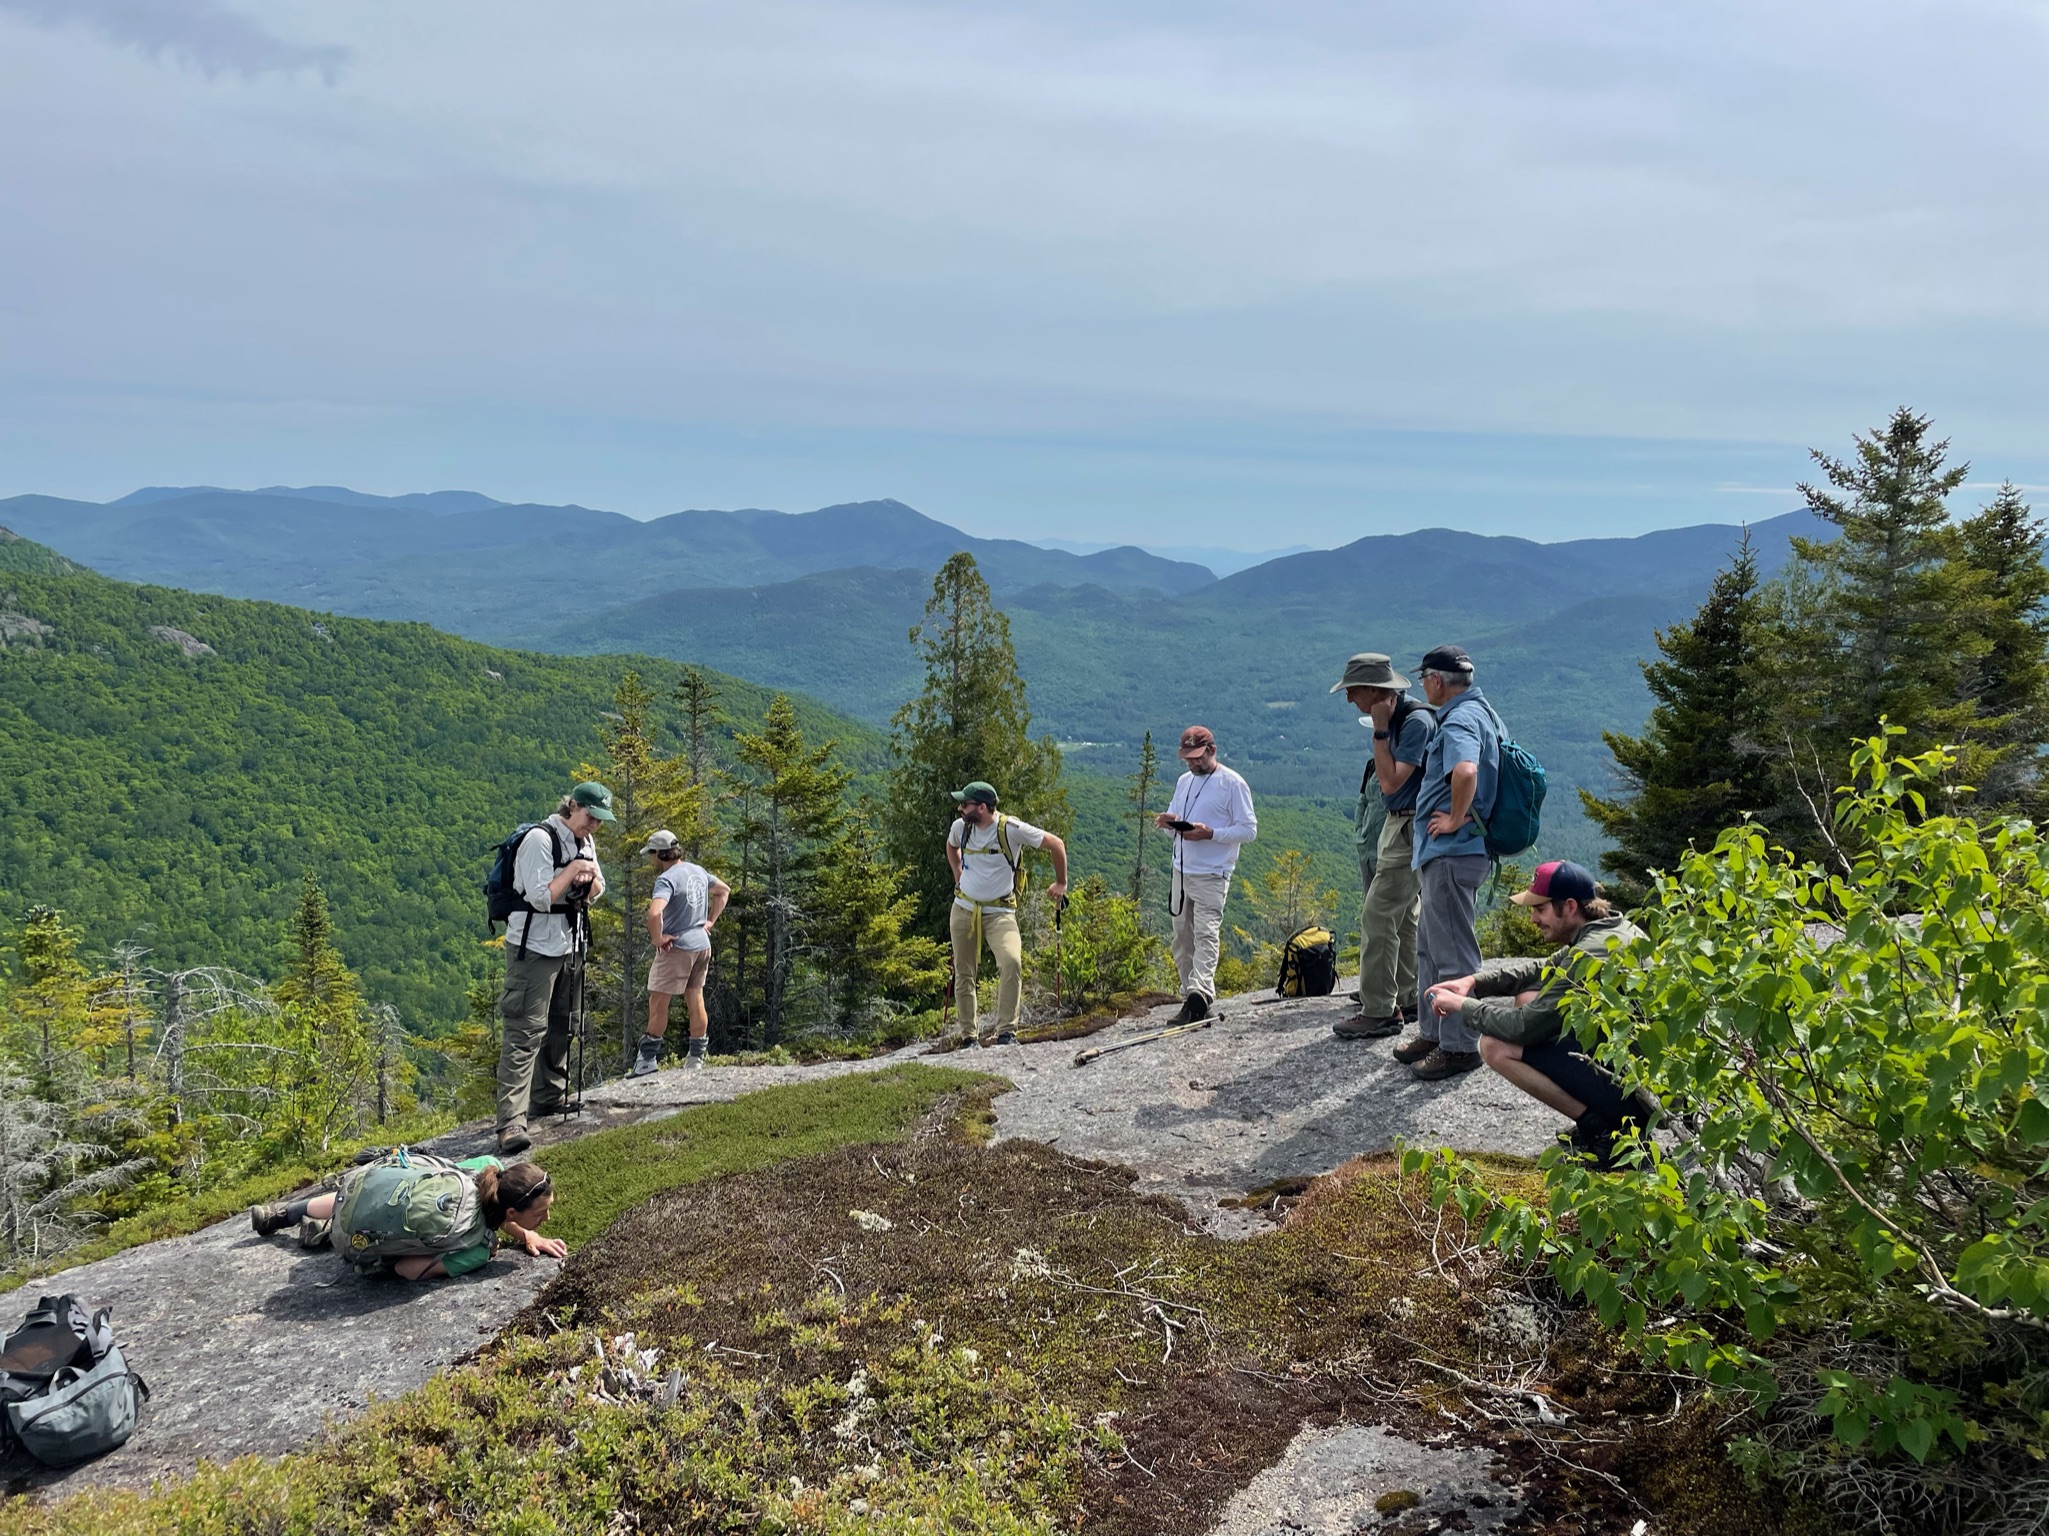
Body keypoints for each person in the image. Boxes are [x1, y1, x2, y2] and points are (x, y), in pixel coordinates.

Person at [1421, 860, 1658, 1165]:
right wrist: (1474, 983)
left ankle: (1605, 1131)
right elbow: (1542, 970)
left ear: (1569, 906)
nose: (1533, 919)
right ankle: (1605, 1118)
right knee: (1528, 995)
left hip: (1641, 1096)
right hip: (1639, 1074)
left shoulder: (1589, 952)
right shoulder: (1611, 928)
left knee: (1495, 1046)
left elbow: (1522, 1028)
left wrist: (1462, 1006)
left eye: (1540, 909)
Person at [1398, 645, 1500, 1080]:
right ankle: (1435, 1032)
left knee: (1453, 953)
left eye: (1423, 678)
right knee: (1431, 947)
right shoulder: (1480, 711)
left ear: (1436, 681)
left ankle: (1460, 1046)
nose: (1422, 685)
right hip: (1451, 854)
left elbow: (1465, 771)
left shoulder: (1459, 718)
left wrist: (1456, 817)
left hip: (1453, 853)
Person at [496, 782, 612, 1154]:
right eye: (590, 817)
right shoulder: (539, 840)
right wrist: (576, 870)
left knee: (563, 1024)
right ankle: (512, 1122)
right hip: (532, 948)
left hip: (568, 945)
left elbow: (599, 888)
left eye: (599, 820)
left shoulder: (585, 842)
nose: (593, 826)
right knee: (525, 1030)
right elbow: (541, 897)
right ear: (572, 806)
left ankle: (550, 1095)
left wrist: (586, 879)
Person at [1329, 654, 1434, 1041]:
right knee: (1404, 916)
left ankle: (1378, 1010)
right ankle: (1407, 997)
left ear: (1376, 691)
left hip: (1410, 825)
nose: (1349, 699)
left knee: (1377, 914)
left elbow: (1390, 783)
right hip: (1400, 823)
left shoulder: (1415, 722)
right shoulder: (1402, 719)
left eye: (1353, 691)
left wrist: (1378, 729)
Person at [250, 1156, 565, 1279]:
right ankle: (326, 1229)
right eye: (540, 1213)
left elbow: (421, 1177)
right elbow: (406, 1269)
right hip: (358, 1235)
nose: (547, 1218)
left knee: (382, 1195)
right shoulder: (478, 1250)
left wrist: (526, 1234)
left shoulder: (488, 1167)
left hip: (363, 1189)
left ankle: (286, 1213)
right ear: (511, 1213)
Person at [946, 781, 1068, 1047]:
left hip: (1000, 911)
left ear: (982, 807)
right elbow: (951, 846)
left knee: (1011, 962)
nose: (960, 808)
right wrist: (958, 874)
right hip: (964, 908)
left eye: (965, 804)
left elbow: (1056, 844)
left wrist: (1061, 883)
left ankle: (1006, 1033)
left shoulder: (1010, 829)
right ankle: (969, 1037)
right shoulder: (961, 827)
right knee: (965, 973)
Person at [1155, 725, 1257, 1024]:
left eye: (1197, 757)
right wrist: (1170, 824)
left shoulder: (1233, 783)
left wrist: (1210, 833)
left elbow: (1249, 830)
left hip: (1212, 873)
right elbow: (1177, 823)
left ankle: (1201, 993)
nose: (1192, 763)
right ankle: (1191, 996)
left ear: (1212, 750)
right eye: (1188, 758)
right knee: (1181, 937)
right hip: (1181, 870)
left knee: (1205, 933)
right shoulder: (1184, 782)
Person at [630, 830, 730, 1077]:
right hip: (701, 944)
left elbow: (655, 913)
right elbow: (723, 890)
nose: (650, 860)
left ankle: (647, 1061)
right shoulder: (697, 870)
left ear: (659, 854)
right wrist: (710, 921)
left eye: (651, 855)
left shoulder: (667, 879)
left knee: (659, 1002)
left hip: (677, 948)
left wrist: (658, 938)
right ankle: (696, 1057)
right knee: (695, 998)